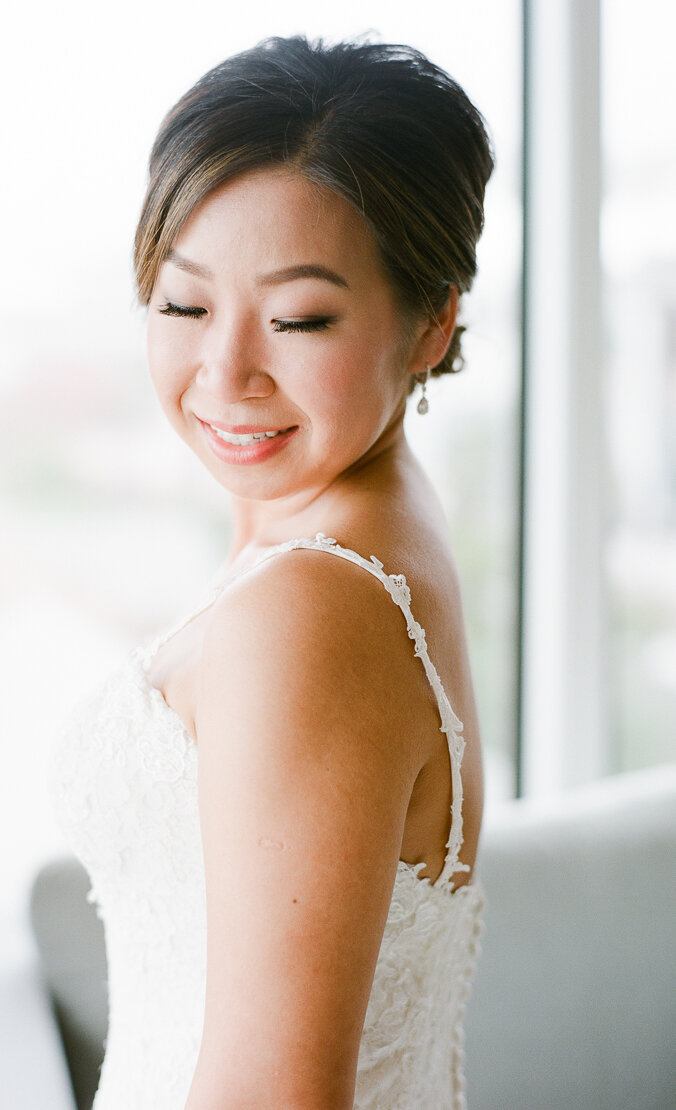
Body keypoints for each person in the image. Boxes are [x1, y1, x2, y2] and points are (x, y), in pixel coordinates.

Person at [52, 33, 494, 1110]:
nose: (224, 374)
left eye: (298, 318)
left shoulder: (310, 605)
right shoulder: (368, 509)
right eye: (184, 304)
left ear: (430, 320)